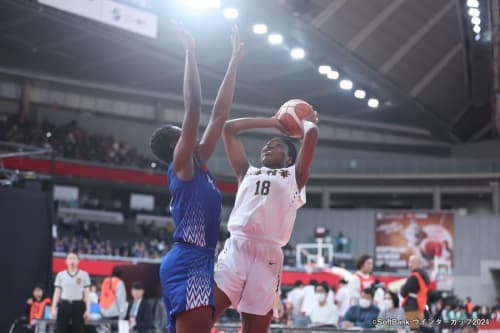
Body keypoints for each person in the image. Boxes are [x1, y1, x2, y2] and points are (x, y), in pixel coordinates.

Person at [152, 23, 243, 333]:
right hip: (189, 260)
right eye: (181, 134)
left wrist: (234, 61)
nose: (188, 133)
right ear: (174, 145)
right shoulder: (181, 164)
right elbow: (194, 107)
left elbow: (220, 114)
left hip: (201, 258)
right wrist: (190, 52)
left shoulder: (199, 162)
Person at [213, 108, 319, 332]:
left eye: (277, 144)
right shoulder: (246, 172)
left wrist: (307, 124)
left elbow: (310, 141)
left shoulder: (295, 176)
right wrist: (273, 122)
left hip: (269, 254)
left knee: (256, 325)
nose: (268, 146)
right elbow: (229, 129)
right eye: (266, 144)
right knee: (207, 309)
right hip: (237, 247)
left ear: (289, 158)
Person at [50, 252, 91, 333]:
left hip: (78, 305)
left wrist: (88, 310)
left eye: (74, 258)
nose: (72, 260)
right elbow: (57, 292)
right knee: (61, 329)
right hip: (64, 304)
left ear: (78, 261)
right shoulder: (60, 275)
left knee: (79, 330)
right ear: (66, 261)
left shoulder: (84, 274)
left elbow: (87, 294)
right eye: (70, 258)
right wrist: (53, 308)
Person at [400, 255, 430, 331]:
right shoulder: (424, 276)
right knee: (416, 329)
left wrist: (402, 286)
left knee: (411, 329)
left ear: (419, 264)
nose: (410, 264)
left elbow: (403, 292)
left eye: (412, 262)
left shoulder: (414, 277)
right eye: (409, 262)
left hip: (411, 308)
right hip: (420, 308)